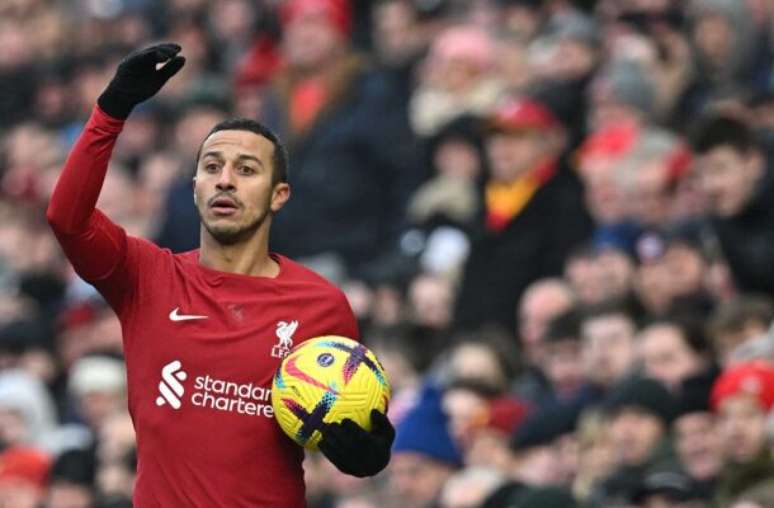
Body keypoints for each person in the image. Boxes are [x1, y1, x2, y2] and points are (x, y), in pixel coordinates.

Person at [46, 43, 395, 507]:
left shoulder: (322, 306)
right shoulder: (147, 277)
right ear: (195, 189)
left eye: (246, 169)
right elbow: (68, 219)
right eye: (211, 167)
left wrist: (367, 450)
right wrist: (110, 112)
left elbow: (348, 432)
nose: (225, 179)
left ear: (279, 195)